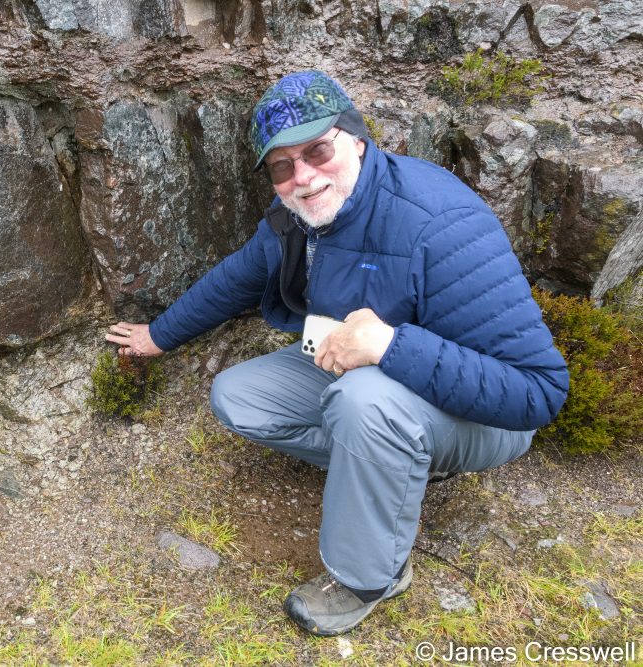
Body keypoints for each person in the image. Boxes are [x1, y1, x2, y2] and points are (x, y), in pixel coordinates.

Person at [104, 70, 570, 636]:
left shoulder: (439, 221)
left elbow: (538, 393)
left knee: (363, 401)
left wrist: (389, 345)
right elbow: (235, 280)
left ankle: (367, 576)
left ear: (355, 137)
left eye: (317, 150)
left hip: (482, 418)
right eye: (281, 166)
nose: (303, 176)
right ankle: (397, 469)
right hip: (378, 385)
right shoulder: (297, 219)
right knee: (238, 396)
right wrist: (158, 335)